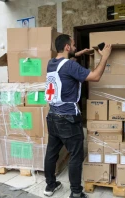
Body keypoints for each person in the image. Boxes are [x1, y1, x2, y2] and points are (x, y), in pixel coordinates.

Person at [44, 34, 112, 198]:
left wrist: (78, 53)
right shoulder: (69, 66)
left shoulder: (51, 63)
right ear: (67, 47)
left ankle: (50, 186)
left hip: (52, 115)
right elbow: (95, 77)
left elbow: (66, 63)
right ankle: (76, 192)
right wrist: (105, 58)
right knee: (76, 155)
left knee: (51, 152)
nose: (75, 47)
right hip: (68, 118)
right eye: (73, 45)